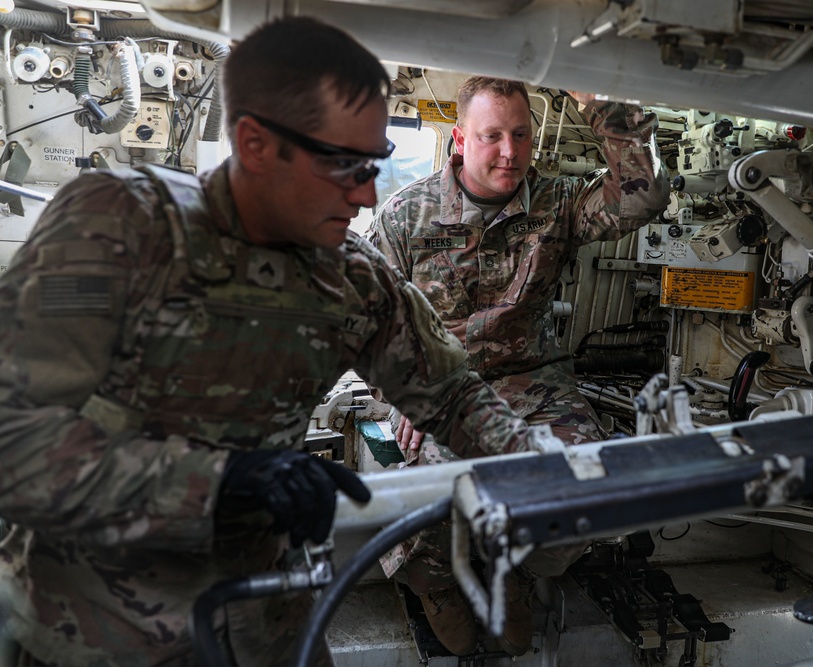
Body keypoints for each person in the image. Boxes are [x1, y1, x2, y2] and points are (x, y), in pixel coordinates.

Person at [0, 19, 540, 667]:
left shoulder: (348, 274)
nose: (367, 194)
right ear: (256, 143)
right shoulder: (121, 229)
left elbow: (453, 393)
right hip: (100, 632)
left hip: (267, 625)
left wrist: (555, 468)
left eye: (375, 167)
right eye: (344, 165)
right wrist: (220, 482)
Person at [368, 76, 670, 656]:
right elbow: (370, 323)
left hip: (534, 384)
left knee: (591, 485)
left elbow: (644, 196)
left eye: (520, 134)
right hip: (440, 389)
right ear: (459, 139)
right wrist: (404, 394)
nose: (509, 151)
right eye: (491, 136)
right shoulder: (406, 216)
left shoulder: (558, 205)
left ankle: (519, 575)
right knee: (433, 495)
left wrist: (600, 99)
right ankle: (435, 583)